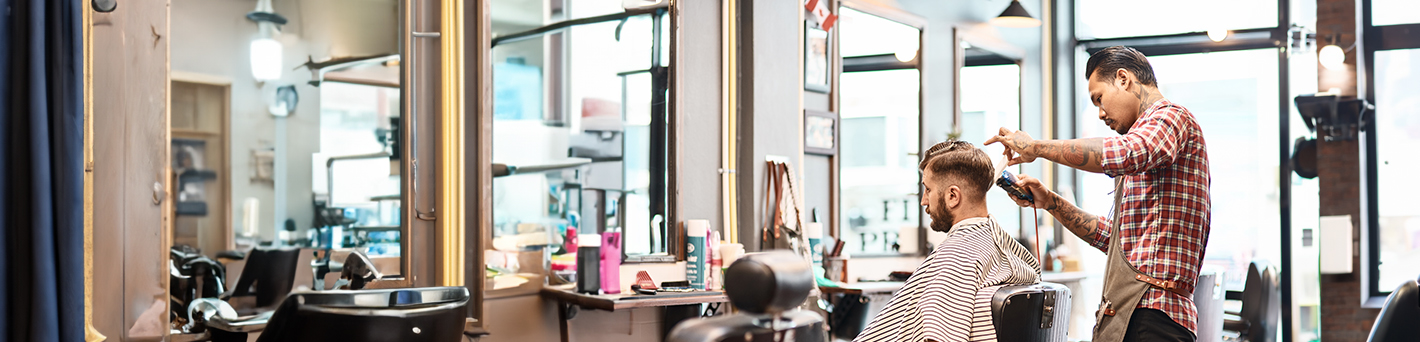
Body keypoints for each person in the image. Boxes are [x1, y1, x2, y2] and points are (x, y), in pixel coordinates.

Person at [985, 45, 1210, 342]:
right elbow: (1112, 239)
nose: (1101, 113)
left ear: (1123, 78)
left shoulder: (1170, 119)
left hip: (1154, 316)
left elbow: (1127, 153)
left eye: (1099, 99)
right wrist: (1050, 201)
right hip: (1130, 315)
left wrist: (1036, 147)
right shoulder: (1147, 147)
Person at [854, 140, 1040, 342]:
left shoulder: (958, 257)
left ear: (953, 196)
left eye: (928, 190)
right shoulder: (1006, 248)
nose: (924, 200)